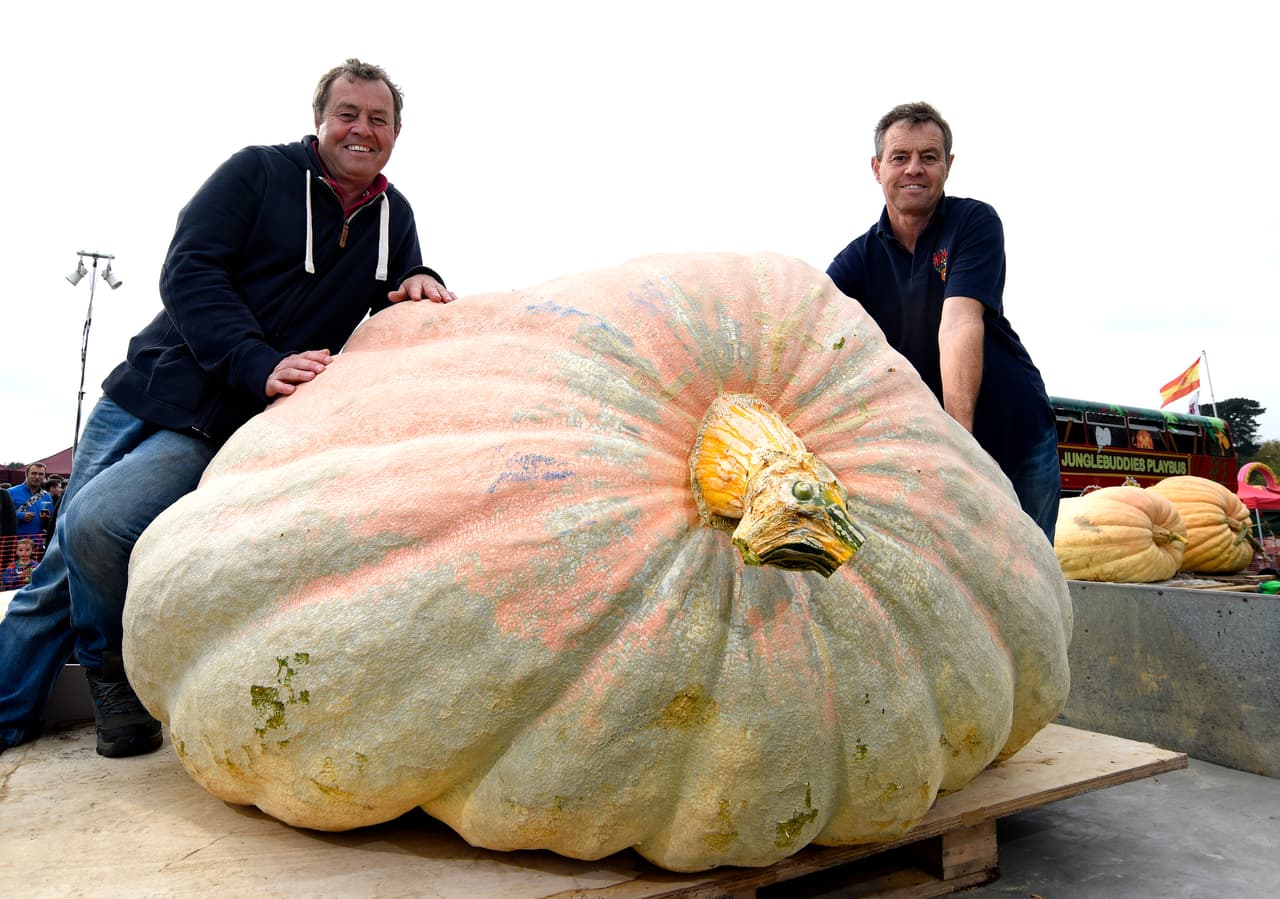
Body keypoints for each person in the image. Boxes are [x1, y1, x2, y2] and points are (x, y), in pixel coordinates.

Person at [0, 58, 455, 759]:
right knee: (59, 565)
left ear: (396, 132)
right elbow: (190, 269)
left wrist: (424, 276)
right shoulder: (257, 173)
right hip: (151, 385)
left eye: (378, 119)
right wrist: (257, 359)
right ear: (320, 119)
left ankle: (110, 671)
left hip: (221, 421)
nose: (362, 129)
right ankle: (20, 712)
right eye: (348, 114)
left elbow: (398, 290)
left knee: (93, 526)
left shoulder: (394, 217)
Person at [826, 101, 1059, 541]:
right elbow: (816, 339)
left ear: (948, 166)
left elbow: (958, 324)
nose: (914, 168)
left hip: (1014, 436)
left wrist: (960, 447)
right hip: (931, 454)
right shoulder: (856, 262)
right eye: (900, 157)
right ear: (877, 168)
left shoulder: (974, 222)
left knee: (1032, 584)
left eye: (928, 157)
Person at [7, 463, 53, 558]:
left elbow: (51, 521)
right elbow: (3, 516)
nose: (37, 477)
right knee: (17, 572)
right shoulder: (11, 492)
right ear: (26, 474)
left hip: (37, 545)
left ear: (44, 476)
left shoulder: (46, 496)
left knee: (33, 572)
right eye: (34, 473)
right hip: (16, 546)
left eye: (41, 474)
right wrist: (20, 516)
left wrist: (47, 519)